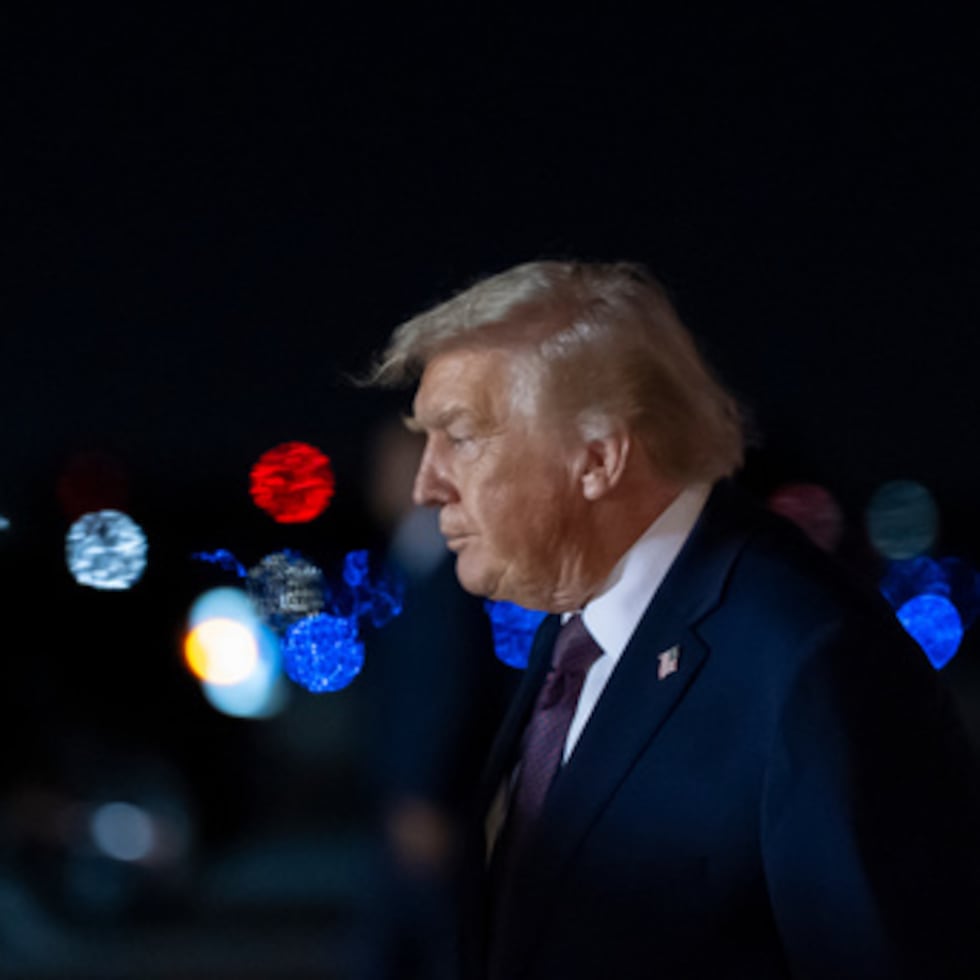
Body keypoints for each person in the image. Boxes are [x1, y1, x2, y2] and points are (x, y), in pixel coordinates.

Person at [364, 260, 980, 979]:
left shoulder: (809, 660)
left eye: (461, 436)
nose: (426, 483)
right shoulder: (580, 630)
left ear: (597, 458)